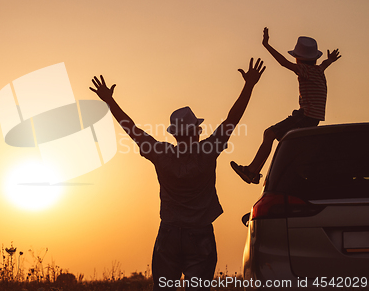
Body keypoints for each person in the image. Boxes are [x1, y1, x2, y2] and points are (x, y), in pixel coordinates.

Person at [89, 58, 265, 290]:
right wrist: (249, 85)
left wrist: (110, 100)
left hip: (169, 235)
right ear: (196, 131)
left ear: (174, 134)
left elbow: (131, 129)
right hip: (200, 235)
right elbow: (232, 119)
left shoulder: (161, 154)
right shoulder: (207, 152)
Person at [231, 27, 341, 184]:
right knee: (283, 141)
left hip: (305, 116)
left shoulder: (305, 70)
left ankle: (251, 171)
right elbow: (325, 64)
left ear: (298, 59)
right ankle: (256, 172)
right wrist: (330, 59)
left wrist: (266, 45)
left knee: (270, 134)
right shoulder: (318, 70)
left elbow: (283, 63)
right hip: (310, 118)